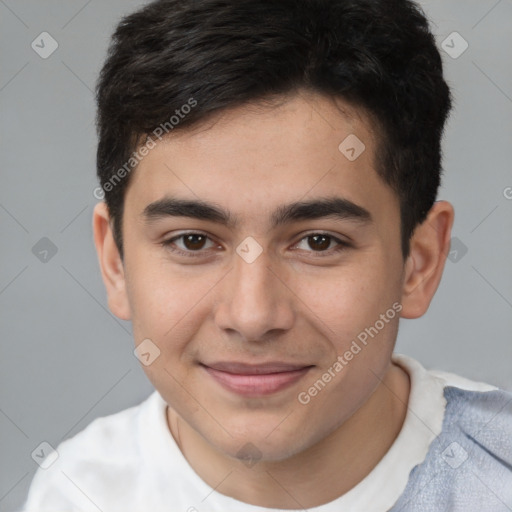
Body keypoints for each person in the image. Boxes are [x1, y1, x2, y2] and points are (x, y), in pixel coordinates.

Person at [21, 0, 512, 510]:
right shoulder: (77, 492)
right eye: (192, 241)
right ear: (115, 261)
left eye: (319, 241)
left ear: (420, 262)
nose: (253, 316)